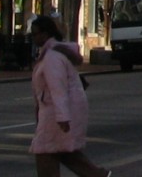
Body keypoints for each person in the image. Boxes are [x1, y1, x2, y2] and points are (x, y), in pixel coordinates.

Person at [29, 15, 111, 177]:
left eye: (35, 34)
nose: (33, 37)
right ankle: (98, 175)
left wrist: (62, 117)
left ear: (45, 35)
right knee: (63, 151)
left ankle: (98, 175)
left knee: (45, 151)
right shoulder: (52, 54)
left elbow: (57, 88)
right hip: (57, 112)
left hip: (55, 114)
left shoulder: (52, 57)